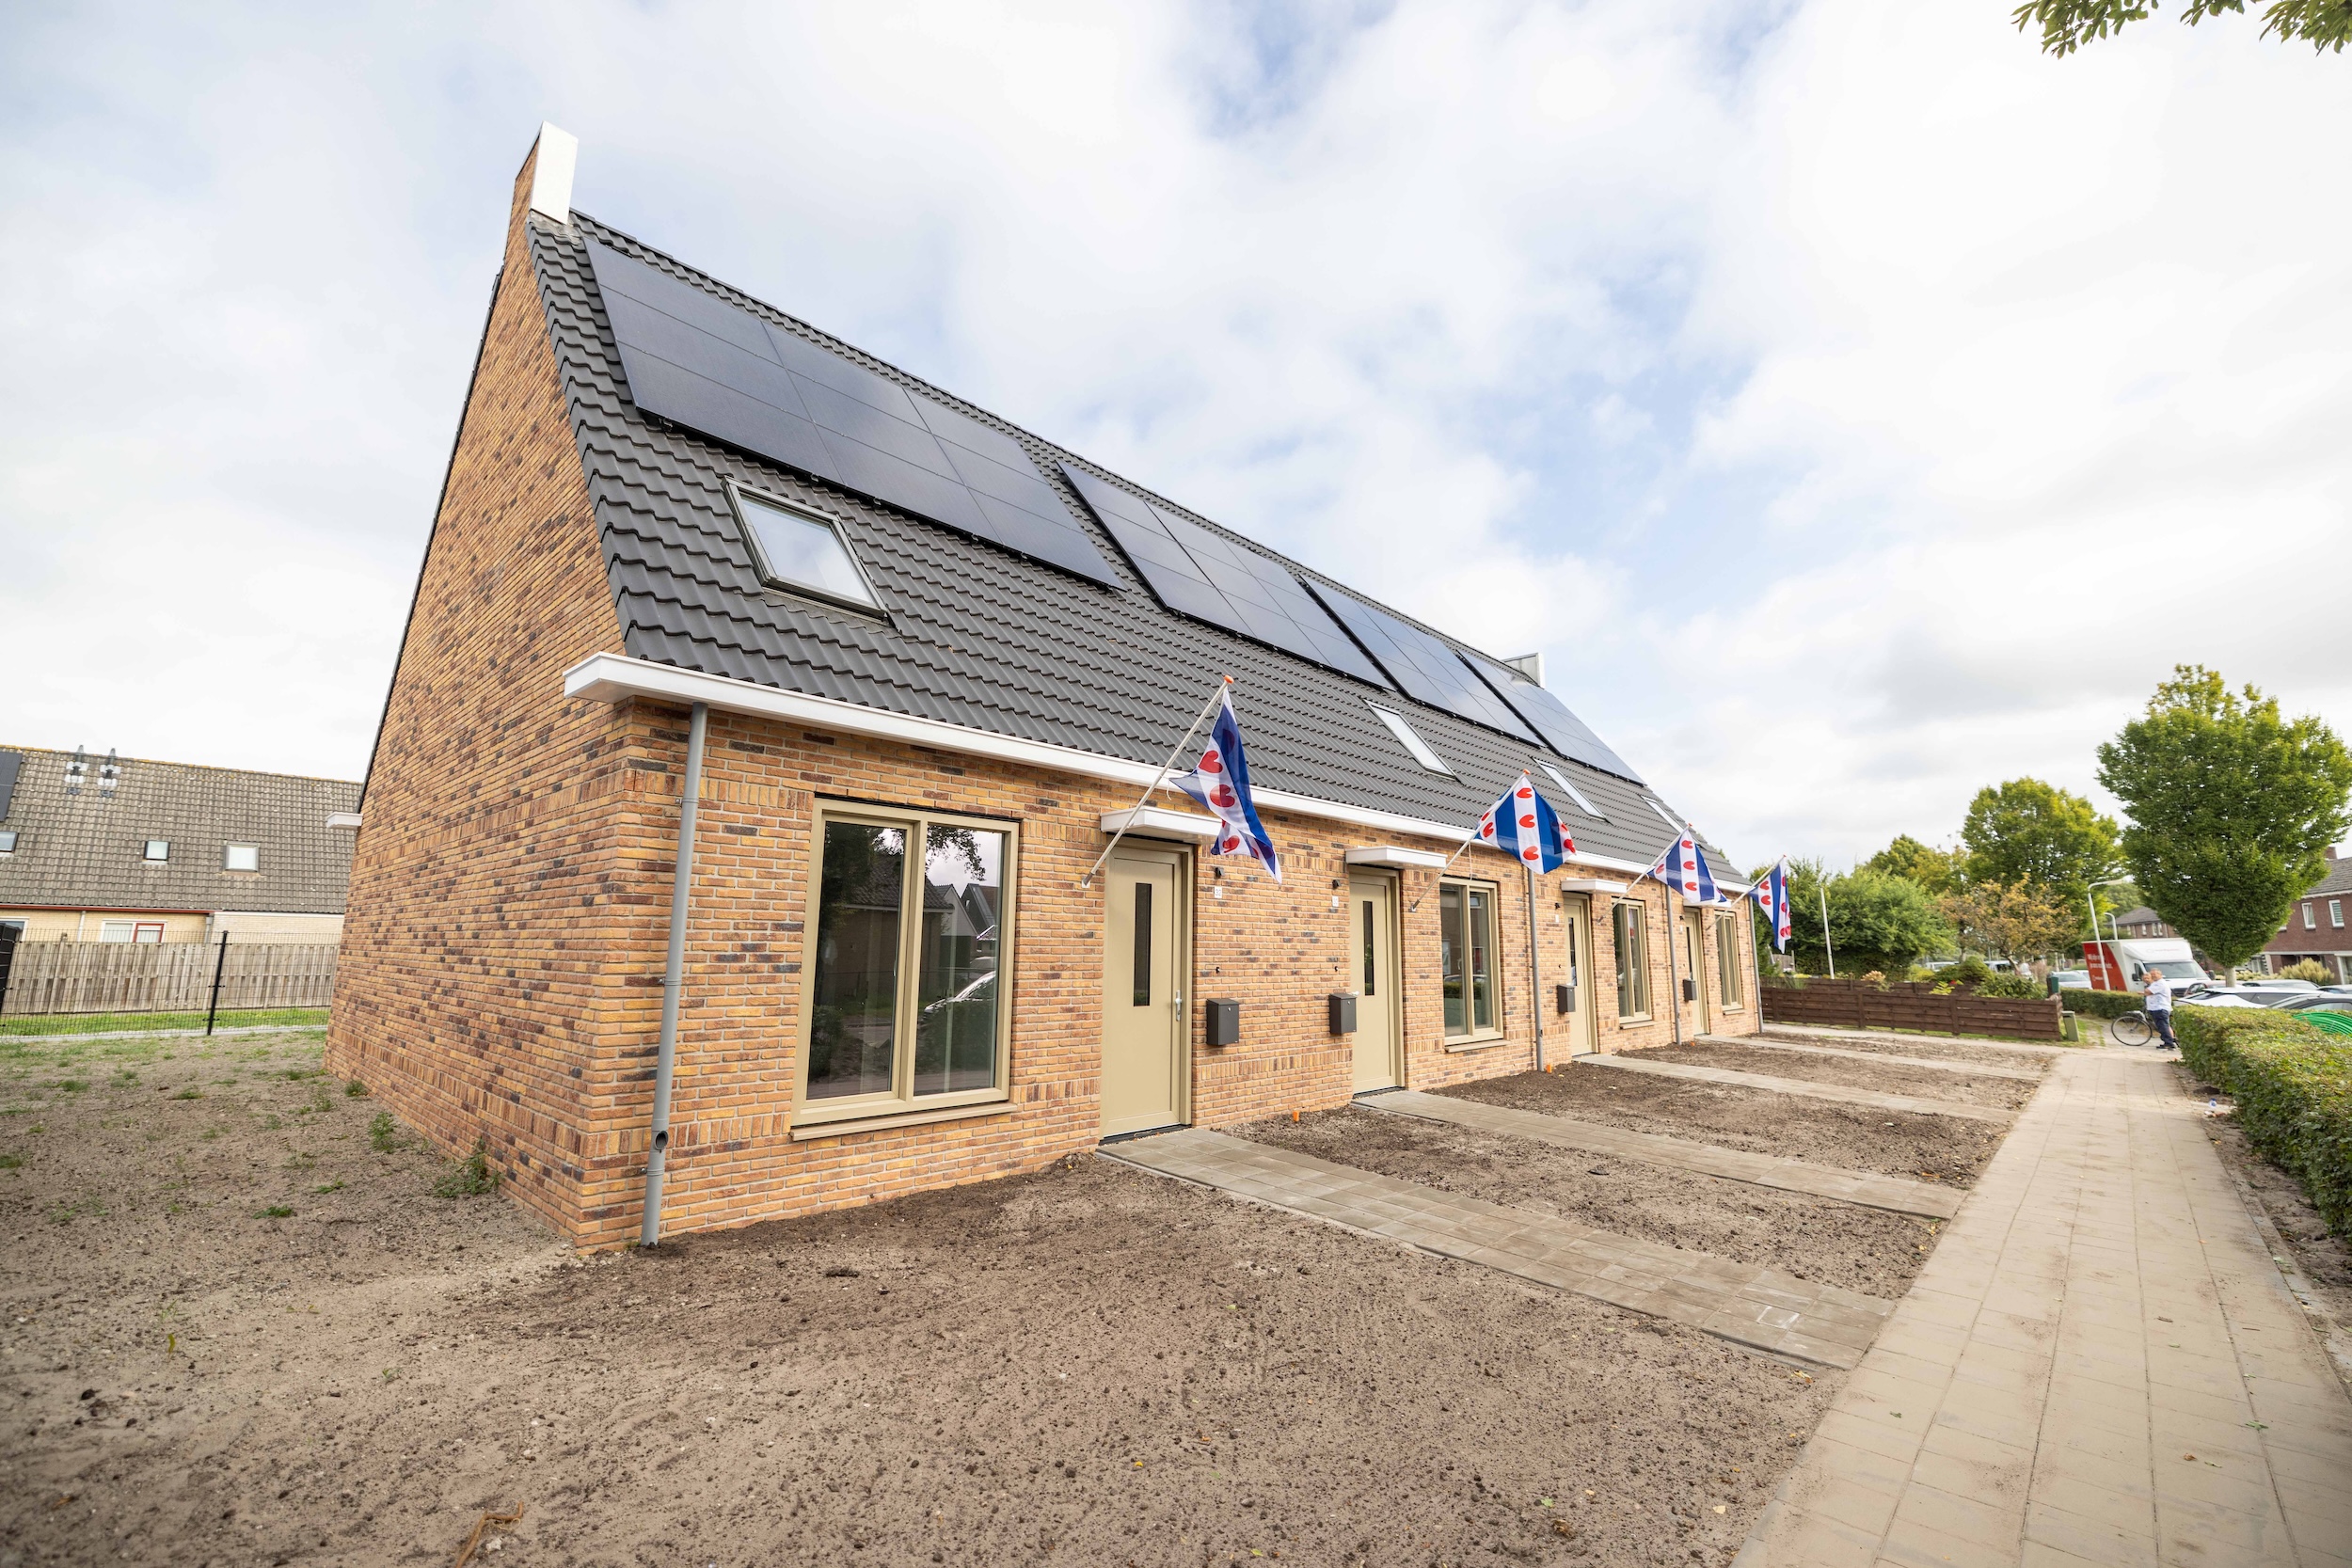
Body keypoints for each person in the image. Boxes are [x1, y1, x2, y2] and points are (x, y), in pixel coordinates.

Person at [2141, 968, 2177, 1050]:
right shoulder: (2156, 983)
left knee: (2163, 1026)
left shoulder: (2160, 983)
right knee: (2163, 1026)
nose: (2153, 976)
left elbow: (2148, 992)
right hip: (2156, 1008)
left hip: (2160, 1008)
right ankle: (2169, 1041)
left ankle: (2169, 1043)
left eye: (2154, 974)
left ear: (2160, 975)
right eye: (2152, 974)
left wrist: (2147, 991)